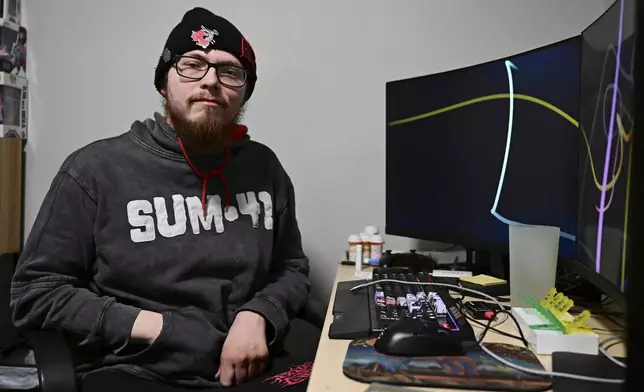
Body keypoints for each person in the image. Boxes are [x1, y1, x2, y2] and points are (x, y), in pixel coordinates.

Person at [10, 7, 320, 391]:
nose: (211, 82)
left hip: (253, 362)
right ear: (163, 83)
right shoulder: (94, 169)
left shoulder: (264, 167)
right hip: (137, 369)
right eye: (193, 65)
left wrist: (258, 315)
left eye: (230, 72)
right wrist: (161, 328)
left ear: (243, 92)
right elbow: (36, 294)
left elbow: (291, 267)